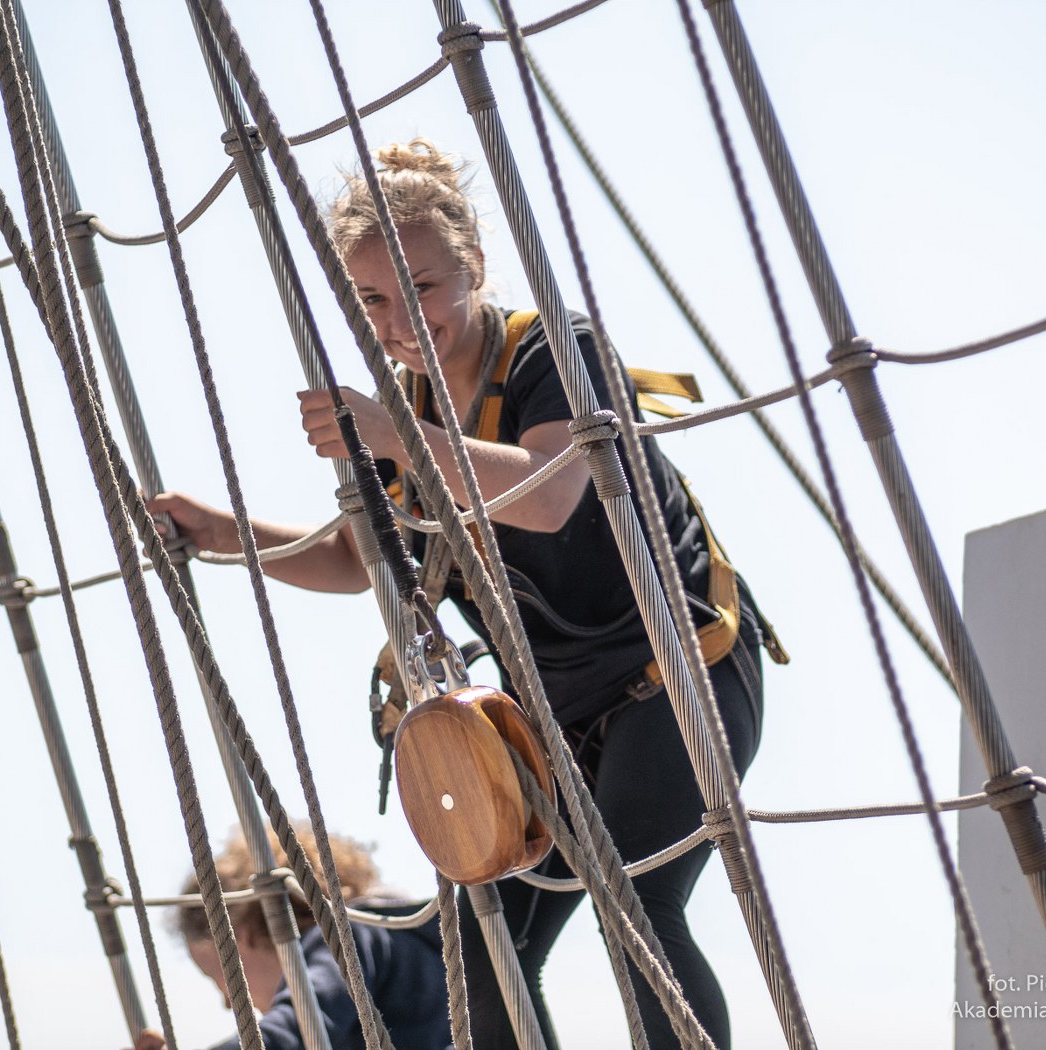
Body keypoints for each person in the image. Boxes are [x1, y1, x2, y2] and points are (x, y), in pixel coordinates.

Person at [149, 139, 777, 1050]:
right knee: (481, 945)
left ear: (474, 266)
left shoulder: (554, 350)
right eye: (371, 299)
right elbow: (355, 559)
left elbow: (549, 492)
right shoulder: (399, 412)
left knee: (636, 906)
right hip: (552, 712)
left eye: (422, 287)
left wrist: (390, 434)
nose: (400, 320)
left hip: (678, 670)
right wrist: (226, 534)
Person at [132, 826, 451, 1050]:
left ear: (239, 936)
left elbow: (301, 1027)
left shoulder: (347, 939)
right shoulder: (406, 946)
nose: (228, 1003)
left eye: (215, 977)